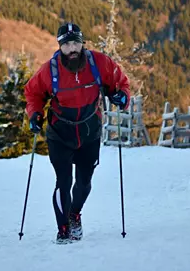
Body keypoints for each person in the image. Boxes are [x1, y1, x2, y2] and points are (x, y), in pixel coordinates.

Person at [24, 22, 130, 243]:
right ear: (60, 46)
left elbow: (119, 83)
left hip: (89, 131)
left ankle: (74, 215)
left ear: (82, 44)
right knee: (63, 181)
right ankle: (63, 229)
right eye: (67, 44)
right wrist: (34, 115)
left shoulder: (99, 63)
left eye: (76, 43)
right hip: (60, 133)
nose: (72, 49)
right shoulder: (50, 70)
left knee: (84, 183)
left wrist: (121, 97)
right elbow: (33, 94)